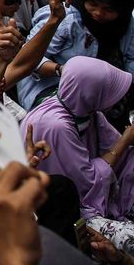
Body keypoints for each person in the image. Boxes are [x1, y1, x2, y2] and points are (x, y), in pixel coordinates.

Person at [22, 57, 134, 252]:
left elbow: (116, 148)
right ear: (89, 93)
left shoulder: (83, 110)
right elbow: (87, 183)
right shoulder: (55, 126)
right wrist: (126, 139)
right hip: (73, 213)